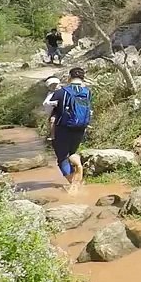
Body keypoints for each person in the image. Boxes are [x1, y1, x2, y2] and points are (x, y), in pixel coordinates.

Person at [44, 67, 92, 195]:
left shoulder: (62, 92)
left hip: (63, 129)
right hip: (80, 128)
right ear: (83, 78)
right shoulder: (87, 91)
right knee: (72, 152)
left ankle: (74, 184)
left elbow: (47, 106)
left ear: (69, 77)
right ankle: (77, 171)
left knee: (62, 158)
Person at [42, 76, 61, 146]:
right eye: (52, 85)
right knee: (52, 120)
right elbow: (45, 103)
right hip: (56, 109)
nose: (54, 86)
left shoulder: (64, 91)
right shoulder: (51, 93)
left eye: (55, 85)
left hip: (65, 108)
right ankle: (52, 135)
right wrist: (54, 103)